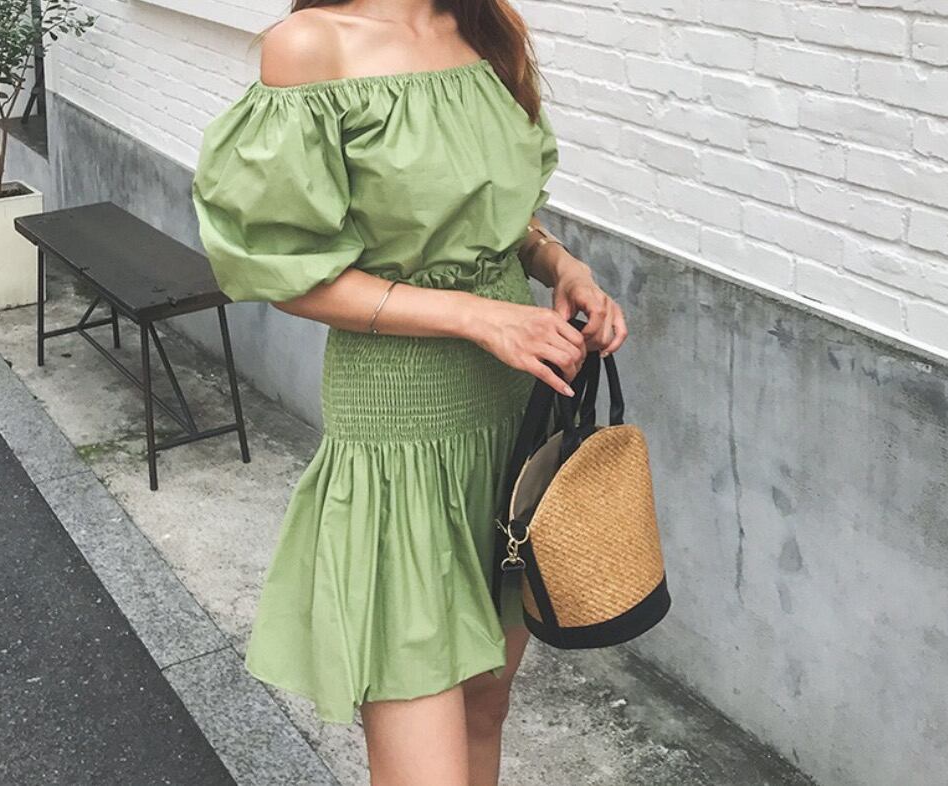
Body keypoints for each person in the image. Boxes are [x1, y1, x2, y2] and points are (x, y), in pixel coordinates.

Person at [191, 2, 629, 783]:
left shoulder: (485, 27)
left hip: (514, 426)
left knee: (486, 711)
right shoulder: (311, 46)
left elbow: (500, 217)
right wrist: (475, 316)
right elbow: (284, 273)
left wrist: (564, 268)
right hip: (399, 432)